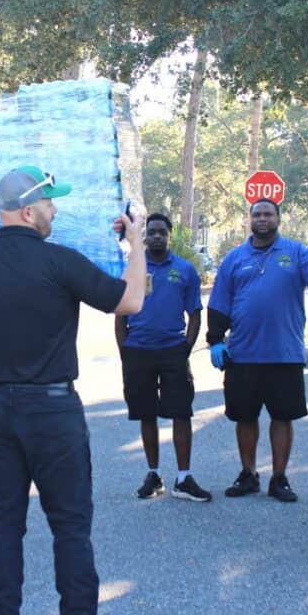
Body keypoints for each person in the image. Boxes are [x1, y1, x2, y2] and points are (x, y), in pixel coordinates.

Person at [0, 165, 146, 615]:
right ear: (29, 211)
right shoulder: (61, 263)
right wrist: (135, 244)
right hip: (53, 413)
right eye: (50, 203)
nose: (55, 210)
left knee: (3, 527)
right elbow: (132, 301)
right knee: (71, 531)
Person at [206, 199, 308, 502]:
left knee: (282, 417)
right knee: (245, 417)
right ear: (249, 219)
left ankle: (279, 479)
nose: (262, 218)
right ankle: (248, 474)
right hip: (242, 354)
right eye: (257, 214)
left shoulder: (296, 252)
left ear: (278, 218)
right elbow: (218, 304)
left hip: (284, 353)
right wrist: (215, 340)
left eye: (268, 214)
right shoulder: (234, 259)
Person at [115, 212, 210, 502]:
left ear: (169, 235)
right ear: (144, 236)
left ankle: (184, 478)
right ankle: (154, 475)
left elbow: (195, 313)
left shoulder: (185, 270)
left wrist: (186, 347)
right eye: (151, 232)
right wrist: (125, 352)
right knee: (146, 414)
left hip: (173, 352)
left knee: (181, 412)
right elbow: (120, 316)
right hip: (139, 352)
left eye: (162, 232)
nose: (156, 236)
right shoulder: (133, 269)